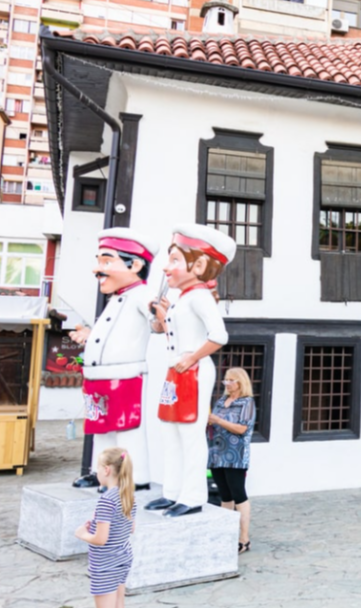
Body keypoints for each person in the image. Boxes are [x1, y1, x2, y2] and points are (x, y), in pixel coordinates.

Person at [145, 224, 236, 518]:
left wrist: (193, 357)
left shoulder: (199, 297)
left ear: (198, 266)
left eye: (175, 260)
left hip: (193, 371)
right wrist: (161, 316)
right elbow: (169, 332)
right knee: (170, 431)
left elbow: (219, 336)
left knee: (190, 434)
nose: (166, 268)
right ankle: (172, 492)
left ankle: (193, 496)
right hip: (177, 371)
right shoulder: (183, 298)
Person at [70, 228, 158, 490]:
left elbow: (156, 321)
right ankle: (102, 473)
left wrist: (160, 319)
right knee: (101, 428)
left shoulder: (142, 295)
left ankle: (135, 476)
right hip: (99, 377)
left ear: (136, 265)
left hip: (125, 376)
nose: (97, 269)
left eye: (107, 262)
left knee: (127, 427)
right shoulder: (116, 298)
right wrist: (90, 336)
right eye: (99, 261)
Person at [74, 446, 135, 608]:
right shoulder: (128, 495)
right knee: (119, 603)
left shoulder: (106, 500)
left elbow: (101, 539)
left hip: (105, 563)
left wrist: (82, 533)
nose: (97, 473)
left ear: (106, 470)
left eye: (98, 468)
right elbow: (130, 528)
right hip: (123, 556)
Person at [208, 367, 256, 554]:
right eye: (225, 380)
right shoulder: (221, 401)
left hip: (236, 455)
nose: (227, 384)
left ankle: (244, 539)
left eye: (231, 380)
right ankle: (226, 535)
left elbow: (242, 428)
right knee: (225, 495)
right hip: (217, 453)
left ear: (240, 382)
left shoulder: (247, 402)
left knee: (238, 495)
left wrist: (218, 420)